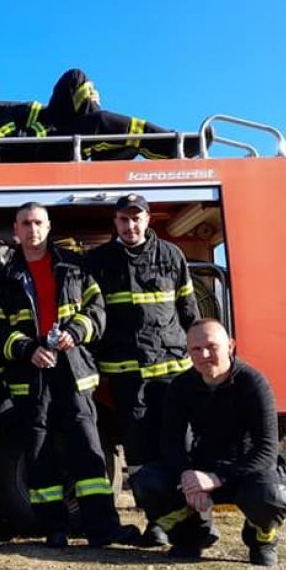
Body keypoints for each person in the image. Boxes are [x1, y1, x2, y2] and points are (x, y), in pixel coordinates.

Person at [0, 201, 139, 549]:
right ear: (16, 228)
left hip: (72, 370)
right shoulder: (7, 277)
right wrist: (28, 349)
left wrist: (75, 332)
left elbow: (96, 311)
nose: (32, 229)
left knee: (87, 447)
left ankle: (102, 528)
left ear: (48, 225)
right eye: (25, 223)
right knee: (38, 453)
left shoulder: (74, 266)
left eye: (38, 222)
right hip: (32, 374)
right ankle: (53, 529)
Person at [130, 319, 286, 566]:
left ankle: (261, 538)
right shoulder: (180, 387)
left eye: (211, 347)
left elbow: (267, 449)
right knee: (148, 482)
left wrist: (217, 478)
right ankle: (192, 534)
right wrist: (188, 477)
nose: (204, 355)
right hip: (202, 467)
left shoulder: (254, 384)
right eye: (196, 349)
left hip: (248, 471)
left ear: (230, 346)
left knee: (273, 495)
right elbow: (171, 443)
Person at [88, 193, 200, 547]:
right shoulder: (99, 261)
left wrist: (201, 357)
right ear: (115, 222)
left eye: (136, 218)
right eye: (123, 219)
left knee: (178, 447)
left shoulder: (171, 256)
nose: (130, 225)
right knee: (139, 453)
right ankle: (157, 521)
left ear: (148, 219)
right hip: (126, 374)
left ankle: (194, 521)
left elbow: (188, 308)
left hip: (172, 370)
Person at [0, 59, 206, 164]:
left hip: (50, 136)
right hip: (34, 156)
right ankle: (170, 146)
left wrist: (84, 104)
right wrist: (27, 137)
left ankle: (100, 145)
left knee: (75, 77)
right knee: (99, 121)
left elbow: (43, 113)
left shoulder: (3, 107)